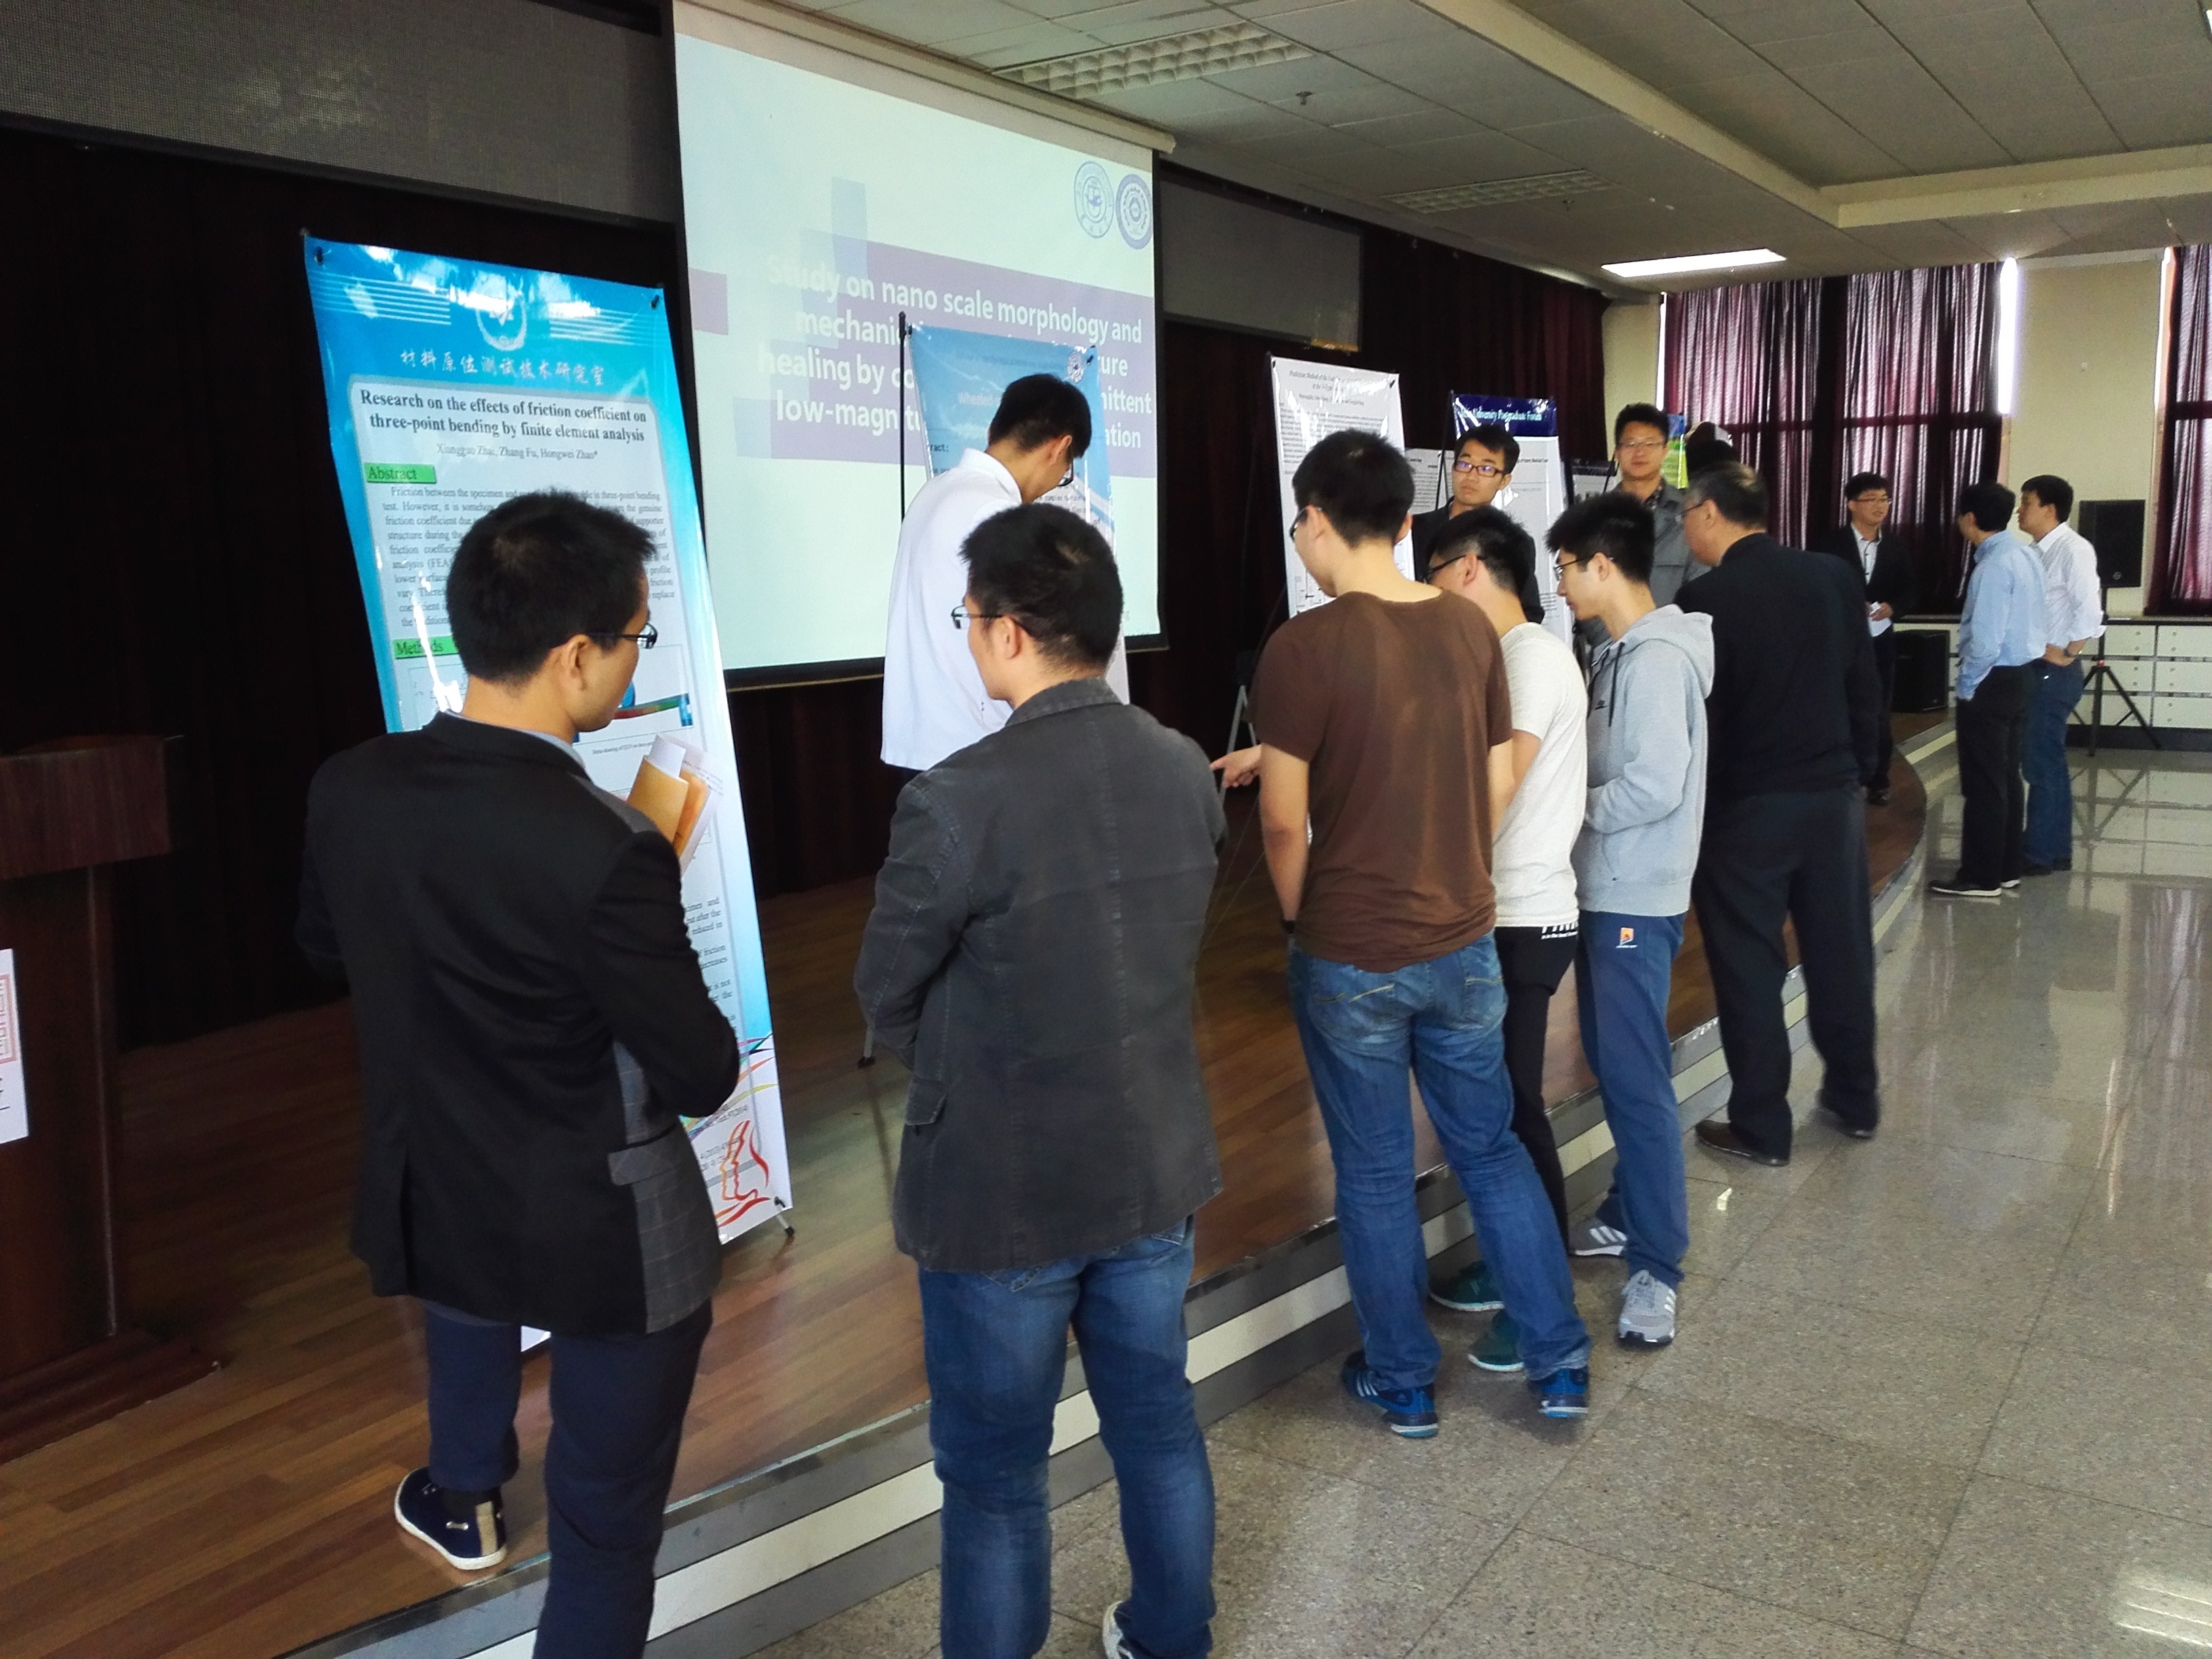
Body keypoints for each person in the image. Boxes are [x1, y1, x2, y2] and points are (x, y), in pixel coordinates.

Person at [296, 493, 737, 1659]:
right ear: (576, 655)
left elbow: (328, 947)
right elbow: (700, 1069)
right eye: (636, 638)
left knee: (475, 1313)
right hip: (603, 1226)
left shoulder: (349, 784)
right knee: (602, 1533)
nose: (637, 661)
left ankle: (464, 1489)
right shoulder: (607, 842)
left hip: (438, 1175)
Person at [855, 504, 1224, 1659]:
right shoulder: (1184, 767)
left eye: (967, 619)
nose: (968, 638)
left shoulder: (957, 796)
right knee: (1157, 1426)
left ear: (1008, 631)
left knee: (995, 1475)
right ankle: (1171, 1638)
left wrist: (964, 1065)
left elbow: (884, 989)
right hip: (1151, 1160)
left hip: (1000, 1189)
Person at [1247, 429, 1591, 1431]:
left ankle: (1403, 1383)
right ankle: (1560, 1362)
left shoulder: (1301, 646)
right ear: (1405, 523)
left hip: (1350, 947)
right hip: (1464, 936)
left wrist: (1299, 919)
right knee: (1492, 1150)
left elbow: (1282, 821)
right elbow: (1494, 780)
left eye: (1300, 524)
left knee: (1372, 1172)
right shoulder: (1469, 632)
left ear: (1316, 520)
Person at [1677, 463, 1885, 1166]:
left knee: (1749, 965)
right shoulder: (1833, 576)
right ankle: (1856, 1100)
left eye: (1686, 515)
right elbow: (1864, 683)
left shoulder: (1705, 597)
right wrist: (1864, 772)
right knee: (1841, 953)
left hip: (1747, 810)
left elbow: (1708, 716)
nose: (1686, 528)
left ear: (1709, 513)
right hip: (1833, 799)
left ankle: (1762, 1127)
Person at [1549, 493, 1713, 1347]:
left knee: (1637, 1079)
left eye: (1566, 569)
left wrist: (1566, 809)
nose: (1561, 586)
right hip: (1610, 888)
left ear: (1602, 565)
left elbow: (1655, 784)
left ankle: (1658, 1266)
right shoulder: (1619, 653)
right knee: (1618, 1066)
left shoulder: (1655, 662)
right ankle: (1624, 1210)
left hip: (1632, 899)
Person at [1420, 509, 1588, 1343]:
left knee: (1514, 1111)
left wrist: (1432, 878)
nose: (1430, 594)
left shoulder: (1527, 658)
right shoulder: (1512, 655)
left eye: (1434, 575)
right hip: (1515, 909)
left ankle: (1539, 1291)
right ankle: (1521, 1269)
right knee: (1502, 1107)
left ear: (1470, 568)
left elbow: (1498, 786)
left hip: (1520, 914)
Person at [880, 373, 1127, 777]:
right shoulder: (999, 515)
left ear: (995, 429)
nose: (1055, 484)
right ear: (1059, 447)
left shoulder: (934, 492)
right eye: (1066, 471)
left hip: (923, 744)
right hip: (978, 749)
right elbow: (1032, 646)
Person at [1933, 481, 2047, 899]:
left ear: (1970, 519)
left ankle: (1981, 877)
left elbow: (1984, 640)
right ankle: (2006, 867)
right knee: (2007, 777)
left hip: (1992, 681)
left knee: (1984, 782)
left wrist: (1967, 686)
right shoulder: (2026, 555)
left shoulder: (1994, 566)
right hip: (2022, 676)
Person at [1813, 472, 1918, 804]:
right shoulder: (1829, 544)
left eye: (1885, 499)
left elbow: (1911, 590)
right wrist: (1847, 604)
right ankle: (1838, 773)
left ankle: (1878, 778)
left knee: (1878, 708)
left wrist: (1893, 608)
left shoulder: (1896, 545)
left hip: (1880, 639)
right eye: (1871, 499)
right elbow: (1816, 586)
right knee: (1838, 704)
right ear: (1852, 505)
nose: (1880, 506)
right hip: (1839, 638)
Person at [2018, 474, 2104, 875]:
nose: (2020, 510)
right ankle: (2053, 849)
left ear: (2049, 509)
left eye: (2027, 502)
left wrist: (2070, 652)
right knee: (2044, 759)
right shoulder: (2034, 552)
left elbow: (2090, 609)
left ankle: (2040, 854)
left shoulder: (2073, 549)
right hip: (2036, 667)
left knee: (2041, 761)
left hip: (2053, 671)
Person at [1611, 403, 1696, 605]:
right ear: (1617, 452)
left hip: (1675, 624)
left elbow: (1701, 588)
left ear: (1665, 450)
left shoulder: (1690, 513)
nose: (1640, 452)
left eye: (1650, 444)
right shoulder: (1595, 517)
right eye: (1631, 444)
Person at [1409, 423, 1519, 570]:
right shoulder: (1414, 529)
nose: (1471, 477)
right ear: (1453, 468)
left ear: (1504, 481)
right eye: (1465, 464)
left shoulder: (1513, 542)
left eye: (1486, 469)